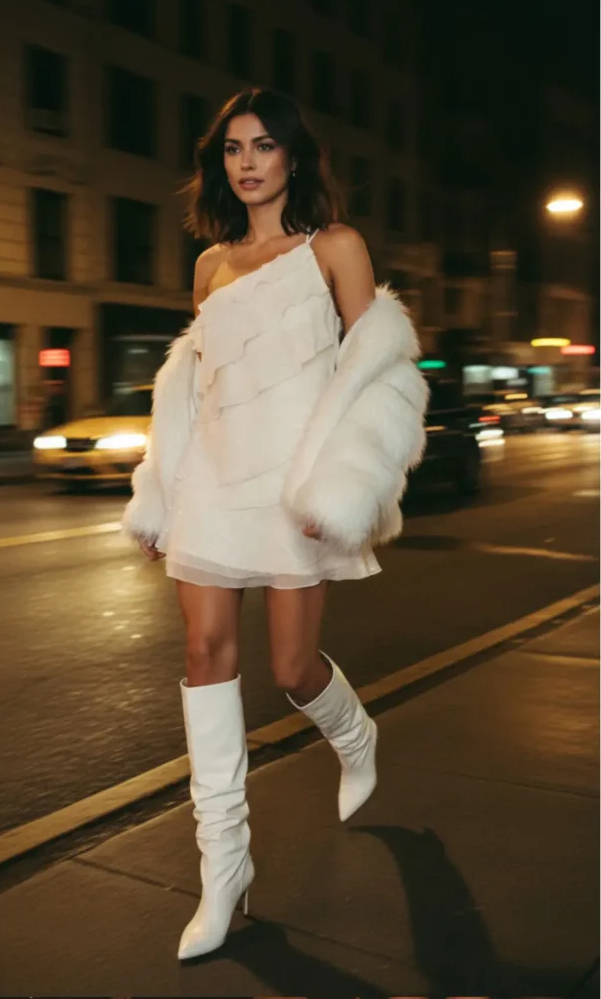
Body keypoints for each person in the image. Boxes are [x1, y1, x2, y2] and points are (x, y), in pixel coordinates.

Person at [123, 88, 428, 961]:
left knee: (292, 668)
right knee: (202, 659)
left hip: (292, 486)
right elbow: (192, 387)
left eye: (263, 145)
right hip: (215, 481)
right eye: (231, 148)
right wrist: (164, 492)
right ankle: (224, 870)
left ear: (295, 157)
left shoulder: (334, 248)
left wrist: (337, 487)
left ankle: (351, 732)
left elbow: (379, 378)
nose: (247, 162)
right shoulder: (211, 265)